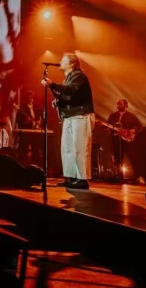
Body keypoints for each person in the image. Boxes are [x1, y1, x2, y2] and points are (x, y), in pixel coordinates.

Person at [42, 53, 95, 190]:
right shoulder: (68, 79)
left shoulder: (78, 76)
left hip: (80, 115)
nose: (60, 61)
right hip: (70, 116)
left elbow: (72, 90)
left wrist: (52, 84)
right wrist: (56, 97)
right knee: (68, 148)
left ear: (72, 64)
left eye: (63, 60)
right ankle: (71, 177)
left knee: (80, 147)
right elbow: (66, 96)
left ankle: (82, 179)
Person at [106, 99, 142, 181]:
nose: (118, 105)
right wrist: (104, 126)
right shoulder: (113, 116)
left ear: (126, 105)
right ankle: (119, 176)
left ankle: (138, 176)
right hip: (116, 140)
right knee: (117, 159)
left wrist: (133, 131)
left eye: (120, 104)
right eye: (117, 104)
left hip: (128, 140)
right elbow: (108, 125)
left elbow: (139, 126)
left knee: (133, 158)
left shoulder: (131, 116)